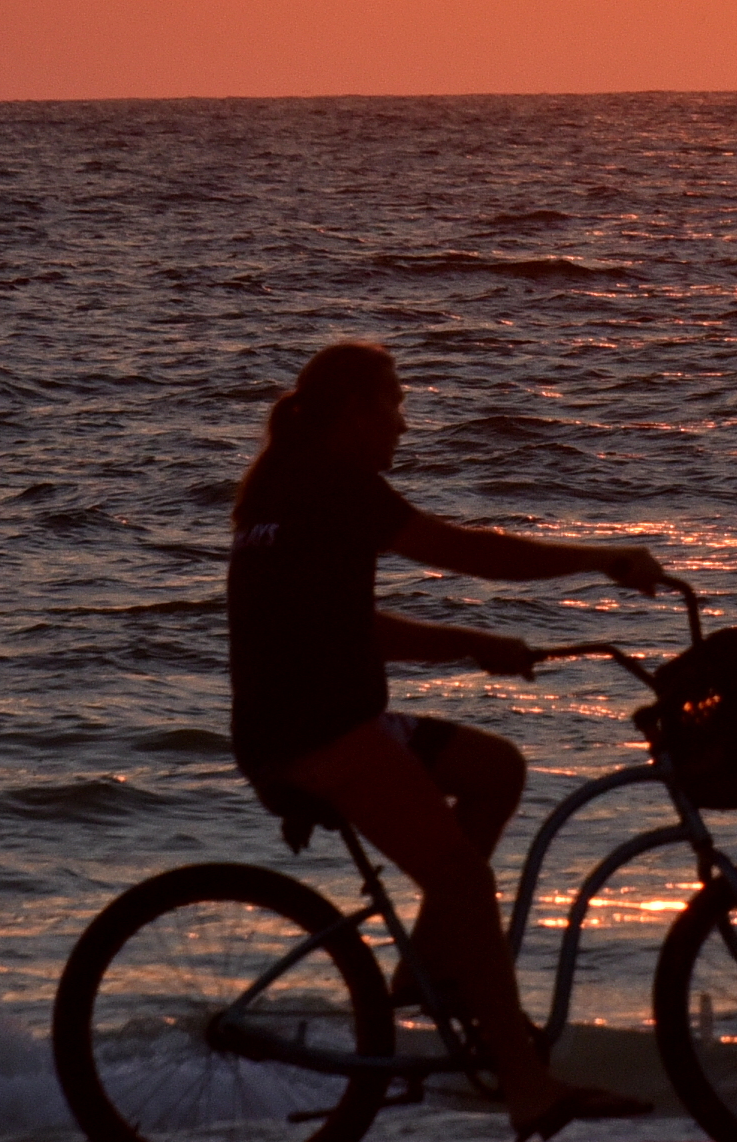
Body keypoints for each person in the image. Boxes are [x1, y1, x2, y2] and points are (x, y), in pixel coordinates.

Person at [228, 340, 663, 1141]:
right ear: (354, 412)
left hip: (325, 716)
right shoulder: (332, 484)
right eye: (393, 404)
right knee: (463, 883)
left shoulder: (283, 487)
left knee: (495, 770)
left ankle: (422, 977)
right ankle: (528, 1089)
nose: (402, 423)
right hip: (319, 733)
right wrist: (602, 560)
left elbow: (349, 629)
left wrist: (471, 644)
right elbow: (467, 552)